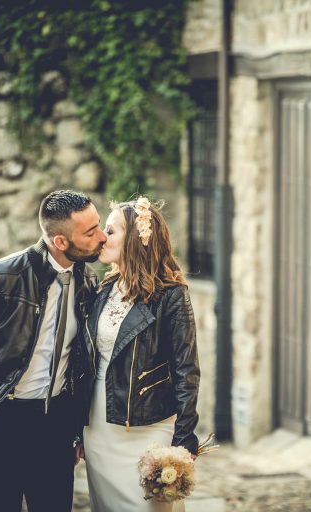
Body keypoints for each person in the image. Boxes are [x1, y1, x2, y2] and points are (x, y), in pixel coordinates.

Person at [0, 190, 107, 512]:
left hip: (55, 427)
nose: (101, 237)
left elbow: (80, 363)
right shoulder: (1, 276)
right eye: (90, 232)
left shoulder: (88, 282)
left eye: (98, 225)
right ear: (60, 242)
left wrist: (74, 429)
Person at [81, 196, 200, 512]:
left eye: (111, 230)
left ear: (136, 238)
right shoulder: (101, 290)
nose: (103, 237)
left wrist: (184, 438)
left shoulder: (171, 296)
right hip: (98, 428)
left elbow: (187, 370)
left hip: (149, 429)